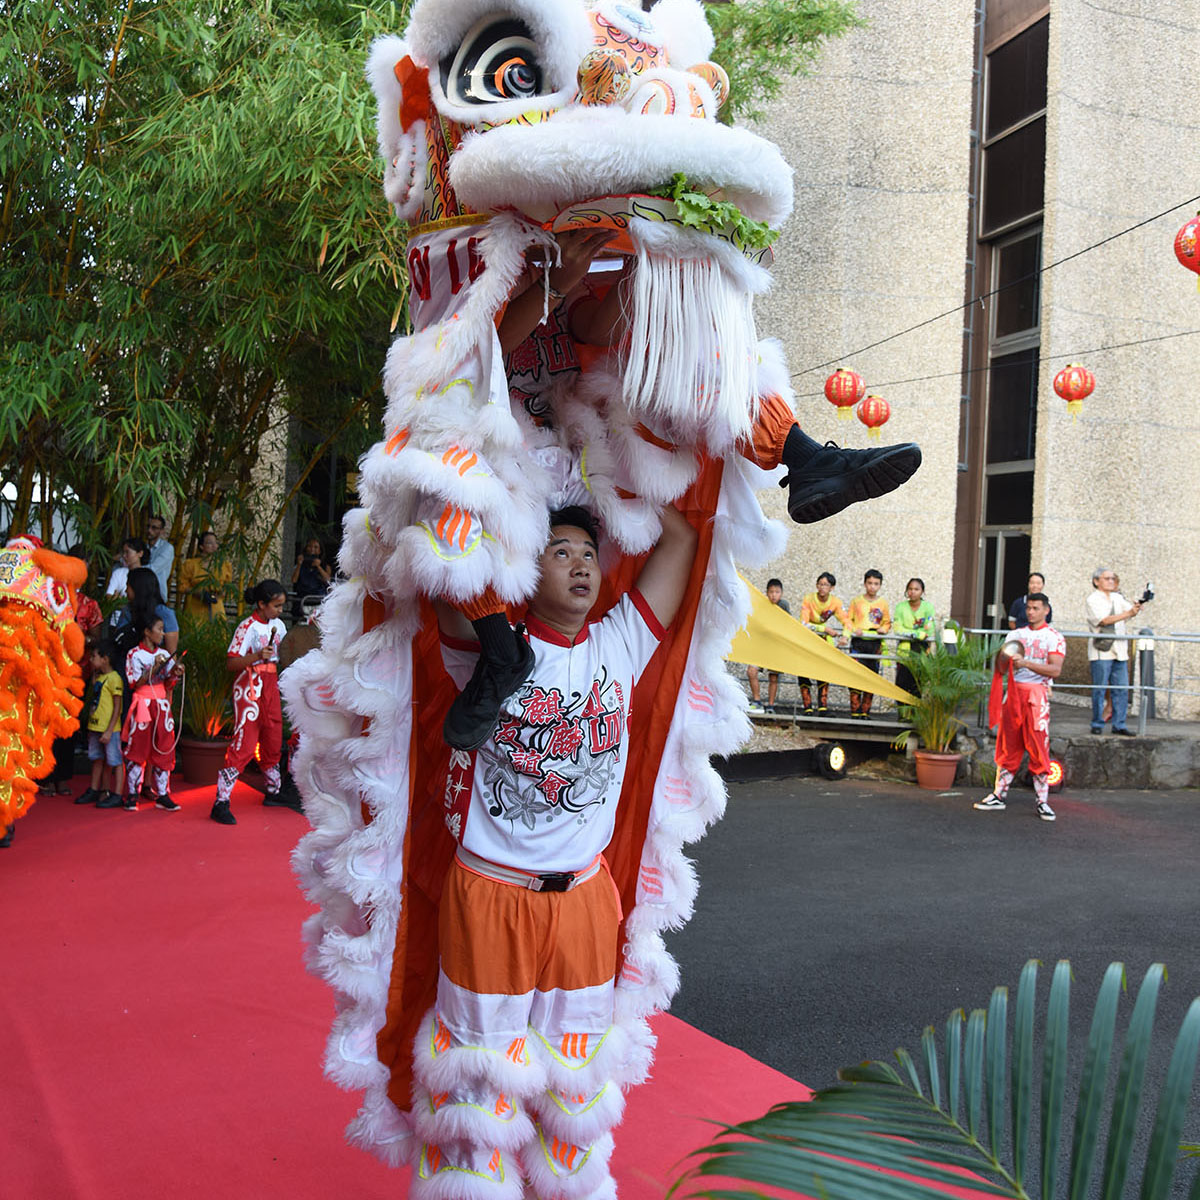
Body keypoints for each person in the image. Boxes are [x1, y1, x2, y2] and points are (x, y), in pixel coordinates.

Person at [416, 502, 696, 1197]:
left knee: (576, 1084)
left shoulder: (621, 641)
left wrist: (622, 474)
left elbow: (683, 538)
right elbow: (442, 565)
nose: (579, 565)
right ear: (523, 568)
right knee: (480, 1077)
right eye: (559, 551)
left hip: (584, 901)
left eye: (587, 553)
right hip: (491, 894)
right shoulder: (486, 650)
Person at [974, 593, 1064, 821]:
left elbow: (1055, 670)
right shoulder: (1015, 634)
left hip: (1037, 696)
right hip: (1013, 693)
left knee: (1038, 745)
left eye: (1035, 608)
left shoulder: (1054, 637)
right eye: (1028, 608)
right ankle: (998, 795)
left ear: (1046, 610)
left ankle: (1042, 801)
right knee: (1007, 744)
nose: (1030, 612)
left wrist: (1026, 663)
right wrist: (1004, 663)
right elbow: (1002, 667)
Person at [211, 580, 293, 825]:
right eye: (276, 606)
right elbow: (231, 663)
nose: (279, 611)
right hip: (249, 688)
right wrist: (257, 656)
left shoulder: (279, 625)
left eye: (281, 606)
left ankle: (273, 790)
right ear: (261, 604)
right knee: (245, 742)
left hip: (271, 684)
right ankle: (221, 801)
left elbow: (287, 654)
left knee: (273, 735)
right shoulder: (246, 627)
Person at [121, 615, 183, 812]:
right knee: (137, 748)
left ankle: (163, 794)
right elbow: (134, 683)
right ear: (147, 632)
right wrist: (155, 668)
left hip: (162, 705)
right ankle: (132, 793)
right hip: (143, 705)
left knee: (164, 748)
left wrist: (175, 675)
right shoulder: (134, 654)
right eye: (160, 629)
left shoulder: (165, 653)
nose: (163, 633)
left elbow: (168, 684)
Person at [1086, 566, 1142, 736]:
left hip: (1120, 649)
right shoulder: (1093, 599)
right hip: (1101, 649)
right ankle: (1097, 722)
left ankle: (1119, 723)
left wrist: (1137, 606)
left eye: (1113, 578)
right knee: (1100, 688)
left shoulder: (1118, 598)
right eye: (1107, 578)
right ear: (1097, 581)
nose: (1111, 581)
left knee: (1121, 688)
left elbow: (1130, 611)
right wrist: (1128, 613)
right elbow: (1103, 620)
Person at [75, 641, 126, 809]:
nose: (91, 659)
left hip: (109, 729)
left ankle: (117, 794)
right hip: (95, 727)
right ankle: (95, 789)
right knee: (97, 759)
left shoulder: (115, 679)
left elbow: (117, 707)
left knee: (115, 760)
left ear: (105, 659)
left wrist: (110, 730)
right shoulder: (98, 677)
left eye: (94, 656)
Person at [845, 569, 891, 718]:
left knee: (872, 676)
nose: (872, 586)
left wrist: (883, 629)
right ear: (865, 583)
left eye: (876, 584)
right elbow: (848, 620)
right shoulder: (856, 601)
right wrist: (853, 630)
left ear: (880, 585)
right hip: (858, 642)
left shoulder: (883, 603)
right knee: (854, 675)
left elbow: (887, 622)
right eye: (870, 583)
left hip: (875, 643)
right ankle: (855, 711)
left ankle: (865, 711)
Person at [799, 571, 845, 715]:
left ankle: (822, 707)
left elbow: (846, 621)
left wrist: (846, 636)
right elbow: (804, 623)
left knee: (824, 672)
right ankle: (807, 707)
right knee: (803, 672)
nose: (822, 587)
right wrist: (825, 628)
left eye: (826, 585)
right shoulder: (808, 599)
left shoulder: (835, 602)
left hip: (823, 641)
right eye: (820, 584)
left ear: (832, 587)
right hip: (807, 639)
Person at [109, 567, 180, 657]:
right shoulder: (128, 610)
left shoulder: (165, 614)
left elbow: (171, 654)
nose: (126, 591)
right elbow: (119, 639)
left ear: (138, 588)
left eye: (128, 586)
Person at [747, 577, 791, 713]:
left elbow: (789, 624)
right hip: (761, 645)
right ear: (766, 593)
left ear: (781, 593)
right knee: (751, 671)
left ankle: (771, 706)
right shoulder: (762, 604)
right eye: (771, 592)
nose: (774, 595)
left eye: (777, 592)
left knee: (773, 676)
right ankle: (757, 700)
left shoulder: (784, 605)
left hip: (776, 646)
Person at [893, 577, 936, 697]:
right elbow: (897, 628)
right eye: (910, 589)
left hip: (922, 652)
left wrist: (916, 632)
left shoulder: (928, 607)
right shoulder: (900, 607)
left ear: (922, 591)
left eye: (916, 589)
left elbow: (929, 628)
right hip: (904, 653)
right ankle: (902, 715)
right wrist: (916, 634)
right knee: (901, 685)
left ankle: (914, 714)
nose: (913, 592)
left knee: (917, 686)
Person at [178, 530, 232, 621]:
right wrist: (198, 593)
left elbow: (228, 587)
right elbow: (182, 586)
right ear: (201, 546)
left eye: (216, 543)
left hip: (216, 607)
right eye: (210, 543)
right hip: (196, 606)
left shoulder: (223, 565)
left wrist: (221, 593)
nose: (214, 546)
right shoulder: (191, 564)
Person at [291, 537, 332, 621]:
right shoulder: (301, 565)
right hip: (302, 600)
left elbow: (328, 580)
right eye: (309, 546)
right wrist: (299, 564)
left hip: (318, 601)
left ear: (320, 551)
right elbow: (294, 580)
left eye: (315, 547)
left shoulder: (325, 566)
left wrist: (318, 566)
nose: (312, 549)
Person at [145, 514, 175, 601]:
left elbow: (152, 569)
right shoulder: (143, 547)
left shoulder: (167, 548)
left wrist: (132, 568)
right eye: (148, 526)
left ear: (162, 531)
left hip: (157, 596)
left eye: (154, 528)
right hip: (141, 593)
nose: (149, 530)